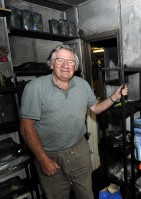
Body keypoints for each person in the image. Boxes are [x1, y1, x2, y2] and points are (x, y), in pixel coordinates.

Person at [19, 44, 128, 199]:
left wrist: (114, 97)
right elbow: (26, 128)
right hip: (50, 154)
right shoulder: (35, 88)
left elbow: (96, 108)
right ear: (51, 64)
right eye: (60, 60)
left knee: (86, 194)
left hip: (79, 150)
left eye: (70, 62)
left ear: (75, 66)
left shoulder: (82, 85)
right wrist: (43, 159)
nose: (65, 65)